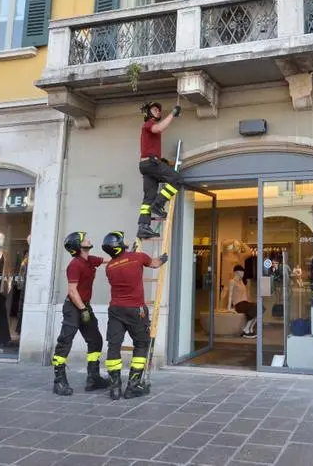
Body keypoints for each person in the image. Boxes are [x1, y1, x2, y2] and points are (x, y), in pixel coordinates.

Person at [101, 231, 168, 400]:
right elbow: (154, 264)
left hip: (116, 310)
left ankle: (115, 387)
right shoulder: (138, 257)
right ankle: (133, 385)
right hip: (136, 310)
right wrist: (164, 257)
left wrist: (128, 253)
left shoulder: (109, 267)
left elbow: (123, 263)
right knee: (141, 343)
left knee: (114, 346)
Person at [51, 231, 111, 396]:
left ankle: (93, 378)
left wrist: (126, 254)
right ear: (78, 245)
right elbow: (72, 291)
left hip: (84, 306)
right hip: (73, 307)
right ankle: (59, 381)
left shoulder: (89, 260)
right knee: (65, 341)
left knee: (95, 340)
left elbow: (109, 259)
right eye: (84, 238)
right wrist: (82, 309)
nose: (88, 238)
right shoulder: (74, 265)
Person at [137, 101, 183, 240]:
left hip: (147, 165)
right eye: (155, 109)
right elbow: (158, 129)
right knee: (177, 179)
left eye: (159, 110)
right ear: (148, 112)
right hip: (151, 163)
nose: (158, 111)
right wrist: (173, 114)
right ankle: (158, 204)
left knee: (148, 198)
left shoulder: (149, 125)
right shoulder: (149, 124)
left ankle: (143, 227)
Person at [226, 266, 258, 338]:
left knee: (259, 308)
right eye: (242, 271)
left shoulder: (241, 282)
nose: (243, 273)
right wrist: (229, 308)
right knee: (255, 308)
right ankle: (246, 331)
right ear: (236, 272)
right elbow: (230, 295)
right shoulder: (232, 281)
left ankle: (248, 329)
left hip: (244, 303)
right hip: (238, 304)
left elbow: (245, 295)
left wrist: (249, 303)